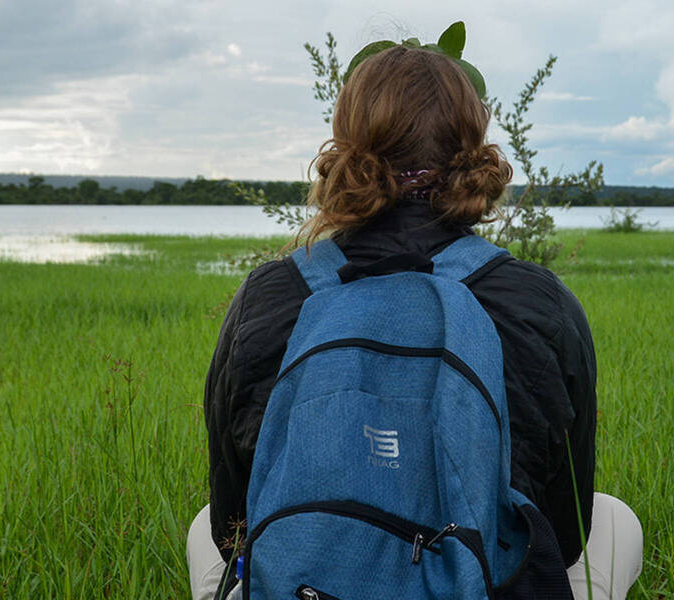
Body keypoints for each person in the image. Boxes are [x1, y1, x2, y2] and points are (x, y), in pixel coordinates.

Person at [187, 45, 642, 599]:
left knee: (200, 527)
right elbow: (565, 533)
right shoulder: (538, 302)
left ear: (344, 146)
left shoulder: (269, 295)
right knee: (617, 520)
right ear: (471, 151)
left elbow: (231, 527)